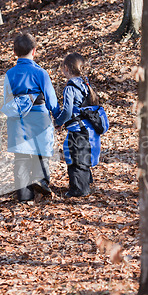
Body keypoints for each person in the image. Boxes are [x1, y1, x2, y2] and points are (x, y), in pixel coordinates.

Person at [2, 32, 60, 202]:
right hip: (39, 117)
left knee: (21, 156)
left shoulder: (9, 74)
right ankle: (41, 181)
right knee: (41, 152)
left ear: (14, 53)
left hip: (18, 120)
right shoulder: (40, 73)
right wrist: (57, 118)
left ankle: (24, 196)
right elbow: (51, 99)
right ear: (34, 51)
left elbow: (7, 99)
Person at [55, 53, 102, 198]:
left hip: (77, 129)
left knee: (75, 159)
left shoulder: (70, 88)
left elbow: (68, 111)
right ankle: (86, 182)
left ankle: (79, 189)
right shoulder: (85, 84)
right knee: (83, 156)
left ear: (66, 69)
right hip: (88, 128)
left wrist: (58, 122)